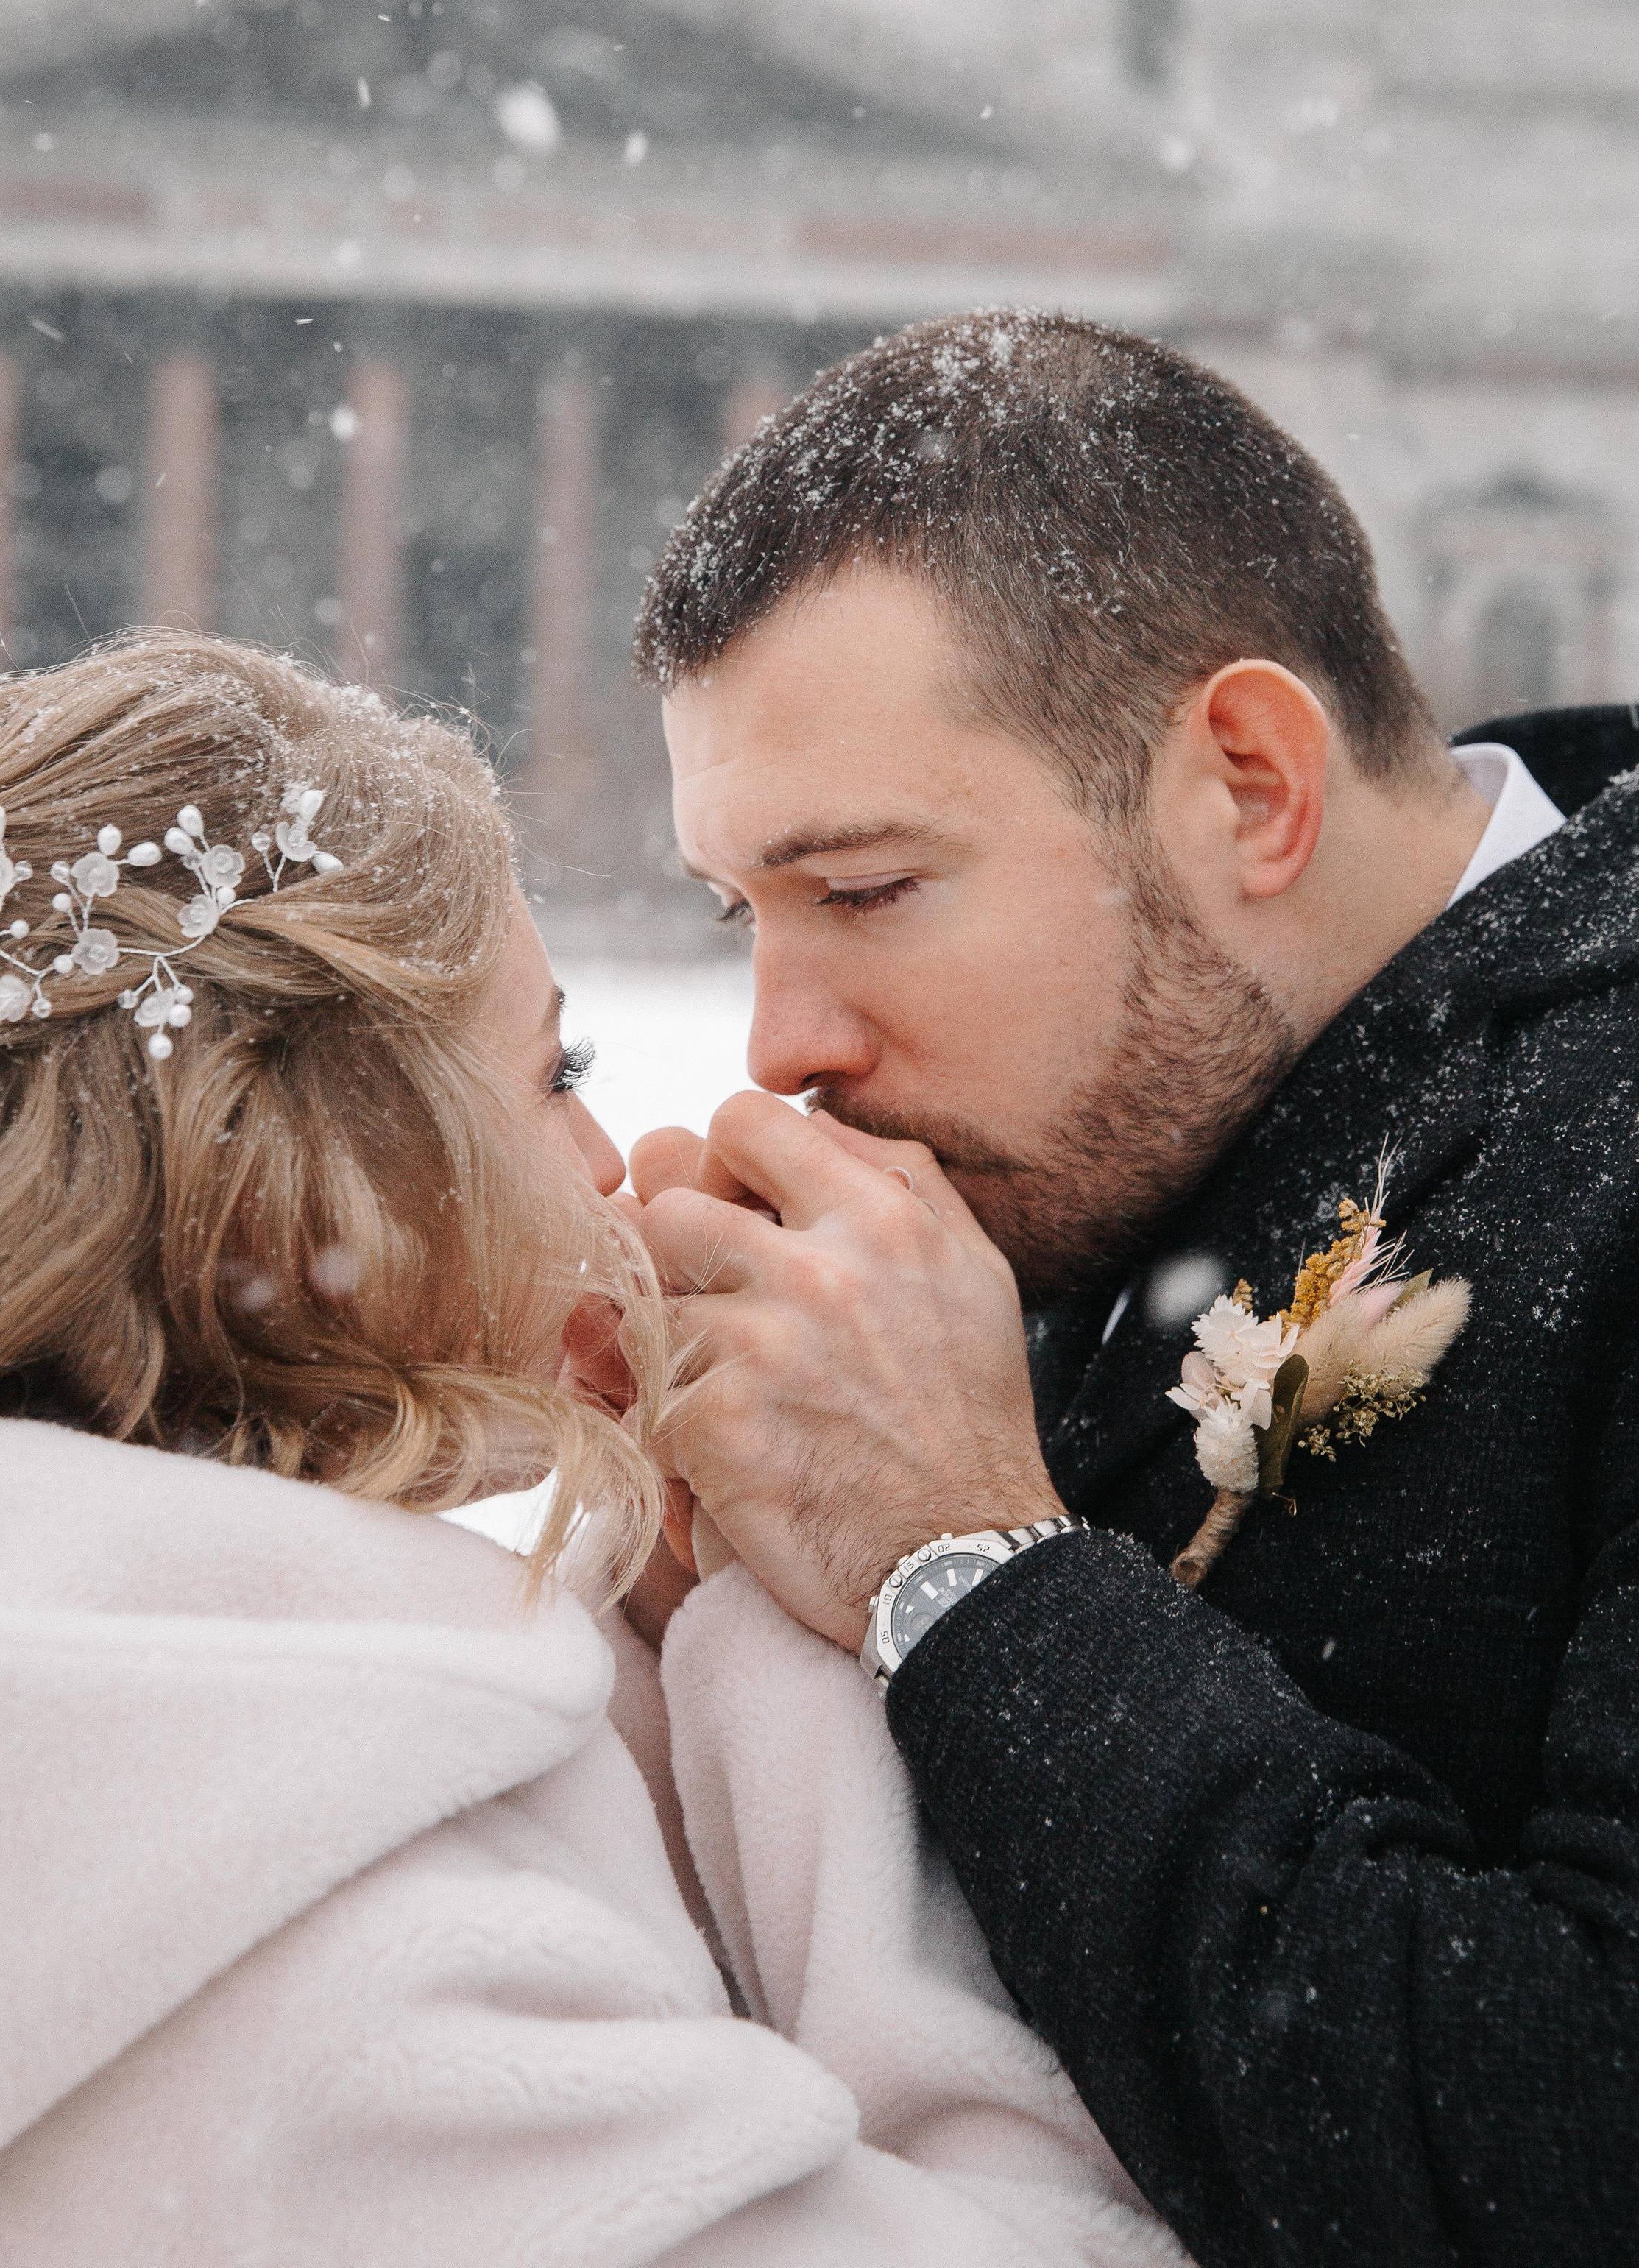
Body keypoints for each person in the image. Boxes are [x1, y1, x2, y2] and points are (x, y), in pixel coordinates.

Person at [0, 629, 1179, 2268]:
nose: (605, 1163)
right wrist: (787, 1647)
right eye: (548, 1073)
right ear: (305, 1183)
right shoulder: (335, 1921)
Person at [628, 309, 1639, 2268]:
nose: (780, 1041)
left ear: (1253, 785)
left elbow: (1578, 2153)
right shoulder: (1095, 1140)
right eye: (737, 911)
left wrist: (967, 1570)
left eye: (868, 888)